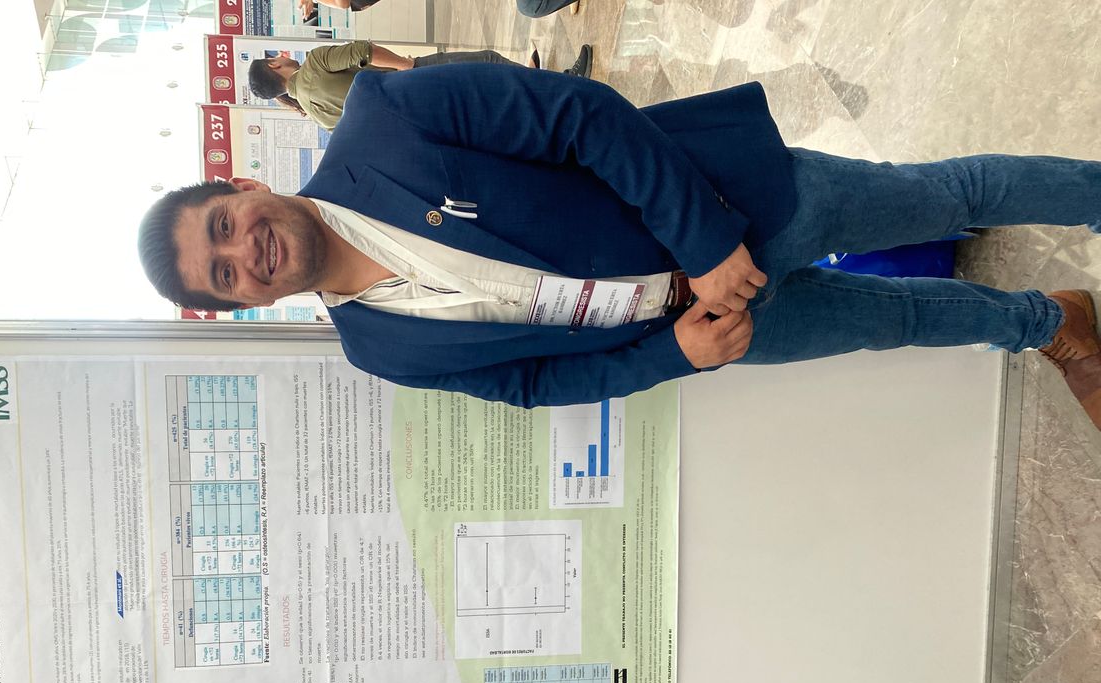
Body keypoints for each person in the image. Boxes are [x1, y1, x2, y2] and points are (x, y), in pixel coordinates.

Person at [138, 64, 1101, 427]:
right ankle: (1049, 324)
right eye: (223, 276)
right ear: (247, 304)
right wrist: (675, 353)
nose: (244, 253)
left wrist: (705, 240)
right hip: (709, 327)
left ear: (245, 187)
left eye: (223, 226)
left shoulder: (387, 118)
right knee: (894, 322)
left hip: (740, 206)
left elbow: (581, 116)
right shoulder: (377, 346)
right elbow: (532, 384)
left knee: (943, 197)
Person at [247, 41, 590, 131]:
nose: (281, 56)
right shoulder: (314, 63)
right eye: (275, 57)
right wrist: (406, 65)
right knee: (489, 62)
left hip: (418, 113)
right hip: (414, 80)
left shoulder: (314, 112)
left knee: (488, 100)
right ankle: (564, 85)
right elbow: (363, 51)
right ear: (275, 66)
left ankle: (536, 84)